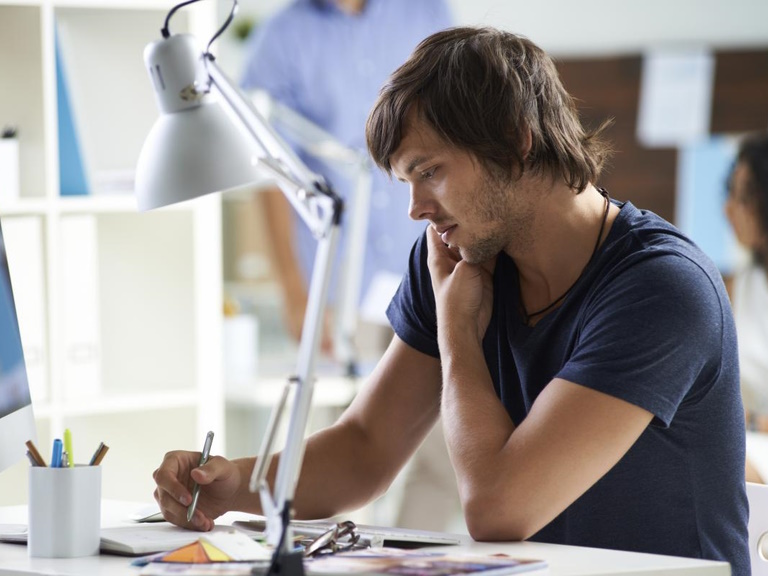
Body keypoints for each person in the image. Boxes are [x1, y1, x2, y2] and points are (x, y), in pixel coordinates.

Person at [154, 27, 749, 574]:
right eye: (406, 182)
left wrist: (457, 332)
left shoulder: (659, 288)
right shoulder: (455, 249)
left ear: (516, 141)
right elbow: (366, 447)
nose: (415, 208)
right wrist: (234, 482)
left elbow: (498, 510)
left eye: (429, 172)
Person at [240, 0, 452, 350]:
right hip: (338, 285)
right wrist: (294, 291)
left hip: (427, 272)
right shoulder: (280, 38)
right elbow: (270, 172)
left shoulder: (426, 12)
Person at [724, 132, 768, 484]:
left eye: (743, 195)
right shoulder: (744, 281)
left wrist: (751, 420)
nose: (729, 209)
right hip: (748, 446)